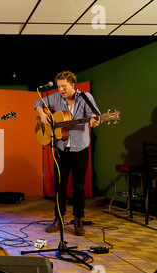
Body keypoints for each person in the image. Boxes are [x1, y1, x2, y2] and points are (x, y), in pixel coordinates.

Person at [34, 71, 101, 236]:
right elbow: (37, 102)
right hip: (61, 147)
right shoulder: (56, 98)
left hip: (80, 148)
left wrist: (94, 120)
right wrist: (42, 114)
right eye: (59, 86)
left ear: (73, 84)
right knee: (60, 186)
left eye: (64, 86)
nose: (61, 89)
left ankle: (78, 220)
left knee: (78, 186)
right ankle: (58, 218)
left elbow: (95, 115)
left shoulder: (85, 97)